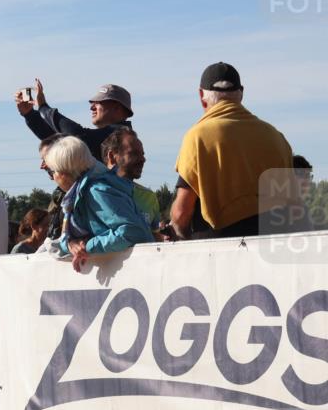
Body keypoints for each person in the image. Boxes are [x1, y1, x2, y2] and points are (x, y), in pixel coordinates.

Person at [171, 62, 303, 239]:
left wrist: (181, 236)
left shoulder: (197, 137)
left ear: (202, 95)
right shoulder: (276, 137)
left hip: (218, 248)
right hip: (273, 244)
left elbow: (181, 213)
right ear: (241, 93)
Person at [46, 136, 154, 272]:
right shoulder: (79, 195)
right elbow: (64, 240)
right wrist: (70, 244)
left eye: (52, 171)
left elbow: (132, 232)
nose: (53, 177)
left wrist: (88, 245)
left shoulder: (96, 191)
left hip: (138, 271)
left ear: (64, 172)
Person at [16, 79, 134, 160]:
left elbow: (78, 136)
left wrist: (43, 107)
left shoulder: (122, 134)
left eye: (98, 103)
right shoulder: (109, 135)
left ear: (117, 108)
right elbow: (57, 140)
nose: (92, 107)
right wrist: (30, 114)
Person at [100, 127, 161, 232]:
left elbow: (155, 236)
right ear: (112, 156)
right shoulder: (92, 193)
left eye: (142, 154)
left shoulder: (149, 197)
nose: (143, 159)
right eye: (134, 153)